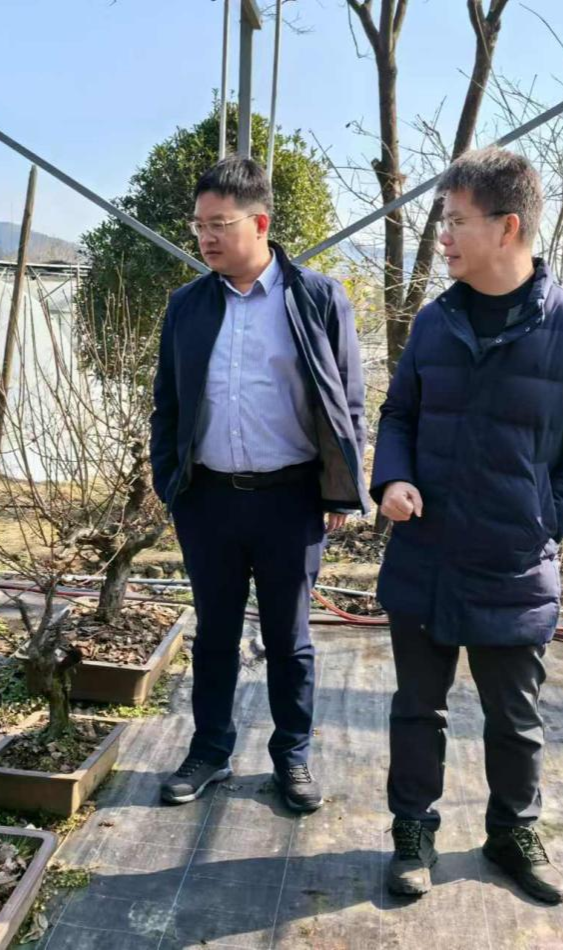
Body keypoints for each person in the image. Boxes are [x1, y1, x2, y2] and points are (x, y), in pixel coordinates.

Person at [371, 147, 563, 902]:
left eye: (456, 221)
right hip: (425, 555)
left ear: (508, 227)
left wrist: (545, 514)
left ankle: (511, 834)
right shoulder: (435, 321)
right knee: (415, 710)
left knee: (515, 719)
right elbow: (400, 413)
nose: (443, 237)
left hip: (514, 559)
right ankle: (412, 832)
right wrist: (393, 477)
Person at [149, 157, 369, 812]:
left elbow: (348, 403)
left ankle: (292, 757)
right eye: (199, 226)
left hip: (291, 500)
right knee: (215, 633)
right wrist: (171, 483)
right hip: (208, 500)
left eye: (220, 224)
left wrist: (340, 487)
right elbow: (167, 404)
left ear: (261, 223)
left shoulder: (317, 298)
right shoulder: (187, 306)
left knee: (289, 640)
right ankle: (210, 750)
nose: (206, 237)